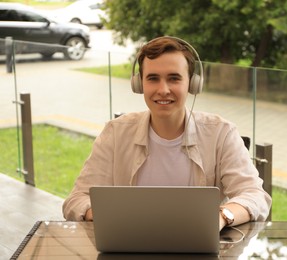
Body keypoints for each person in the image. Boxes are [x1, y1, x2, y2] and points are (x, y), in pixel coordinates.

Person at [62, 36, 272, 231]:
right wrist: (107, 216)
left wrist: (221, 216)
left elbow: (255, 195)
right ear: (139, 84)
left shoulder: (221, 133)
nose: (163, 90)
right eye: (153, 78)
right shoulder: (115, 132)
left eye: (174, 78)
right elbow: (76, 200)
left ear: (192, 83)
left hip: (197, 246)